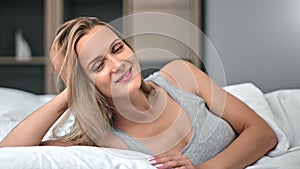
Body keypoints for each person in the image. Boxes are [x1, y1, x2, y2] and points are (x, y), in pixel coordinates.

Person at [0, 16, 277, 169]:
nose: (118, 64)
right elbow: (9, 155)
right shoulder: (102, 140)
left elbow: (262, 133)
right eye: (99, 65)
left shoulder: (181, 75)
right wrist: (68, 95)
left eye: (117, 48)